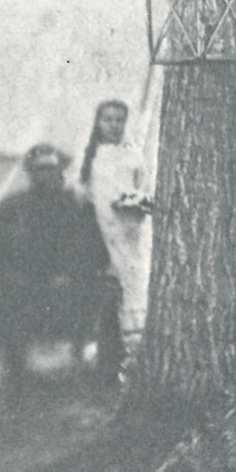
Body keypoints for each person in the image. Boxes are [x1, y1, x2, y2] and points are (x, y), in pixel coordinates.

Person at [0, 144, 110, 392]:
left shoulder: (78, 207)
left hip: (68, 286)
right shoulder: (12, 208)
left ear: (61, 170)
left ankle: (83, 367)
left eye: (52, 168)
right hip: (25, 288)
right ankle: (17, 374)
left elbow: (98, 253)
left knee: (100, 292)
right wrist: (10, 278)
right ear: (31, 172)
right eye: (40, 169)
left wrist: (72, 274)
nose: (46, 174)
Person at [79, 99, 152, 375]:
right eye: (108, 119)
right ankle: (109, 360)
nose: (114, 125)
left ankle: (136, 355)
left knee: (134, 288)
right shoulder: (92, 156)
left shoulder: (132, 153)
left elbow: (142, 185)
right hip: (100, 234)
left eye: (119, 120)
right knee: (110, 294)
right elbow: (85, 195)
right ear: (99, 122)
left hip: (130, 231)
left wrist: (137, 203)